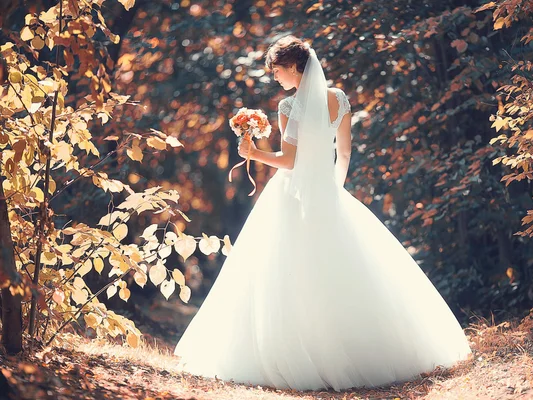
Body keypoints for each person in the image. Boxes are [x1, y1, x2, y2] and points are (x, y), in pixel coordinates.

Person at [174, 35, 471, 392]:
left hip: (292, 194)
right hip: (327, 191)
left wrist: (253, 154)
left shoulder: (290, 106)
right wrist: (332, 189)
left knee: (285, 271)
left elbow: (288, 161)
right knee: (340, 269)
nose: (276, 78)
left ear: (295, 67)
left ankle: (295, 351)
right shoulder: (339, 100)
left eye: (278, 71)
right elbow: (344, 153)